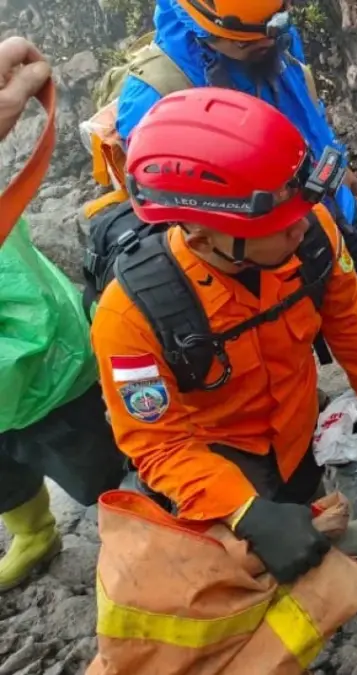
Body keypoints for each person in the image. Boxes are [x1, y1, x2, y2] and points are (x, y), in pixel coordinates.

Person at [90, 86, 357, 582]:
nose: (299, 227)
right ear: (199, 235)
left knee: (304, 485)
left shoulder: (310, 228)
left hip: (297, 419)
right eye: (278, 226)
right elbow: (158, 444)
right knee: (242, 559)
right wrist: (244, 512)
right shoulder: (131, 317)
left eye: (299, 207)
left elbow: (346, 310)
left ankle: (322, 537)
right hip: (221, 457)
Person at [111, 0, 357, 390]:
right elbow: (165, 208)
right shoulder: (155, 94)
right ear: (204, 31)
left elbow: (304, 106)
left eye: (273, 29)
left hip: (322, 202)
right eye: (246, 43)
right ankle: (298, 409)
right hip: (250, 241)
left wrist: (336, 163)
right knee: (280, 335)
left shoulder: (267, 36)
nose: (265, 42)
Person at [0, 36, 129, 592]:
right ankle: (35, 534)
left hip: (42, 370)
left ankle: (138, 529)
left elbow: (27, 325)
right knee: (5, 476)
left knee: (99, 469)